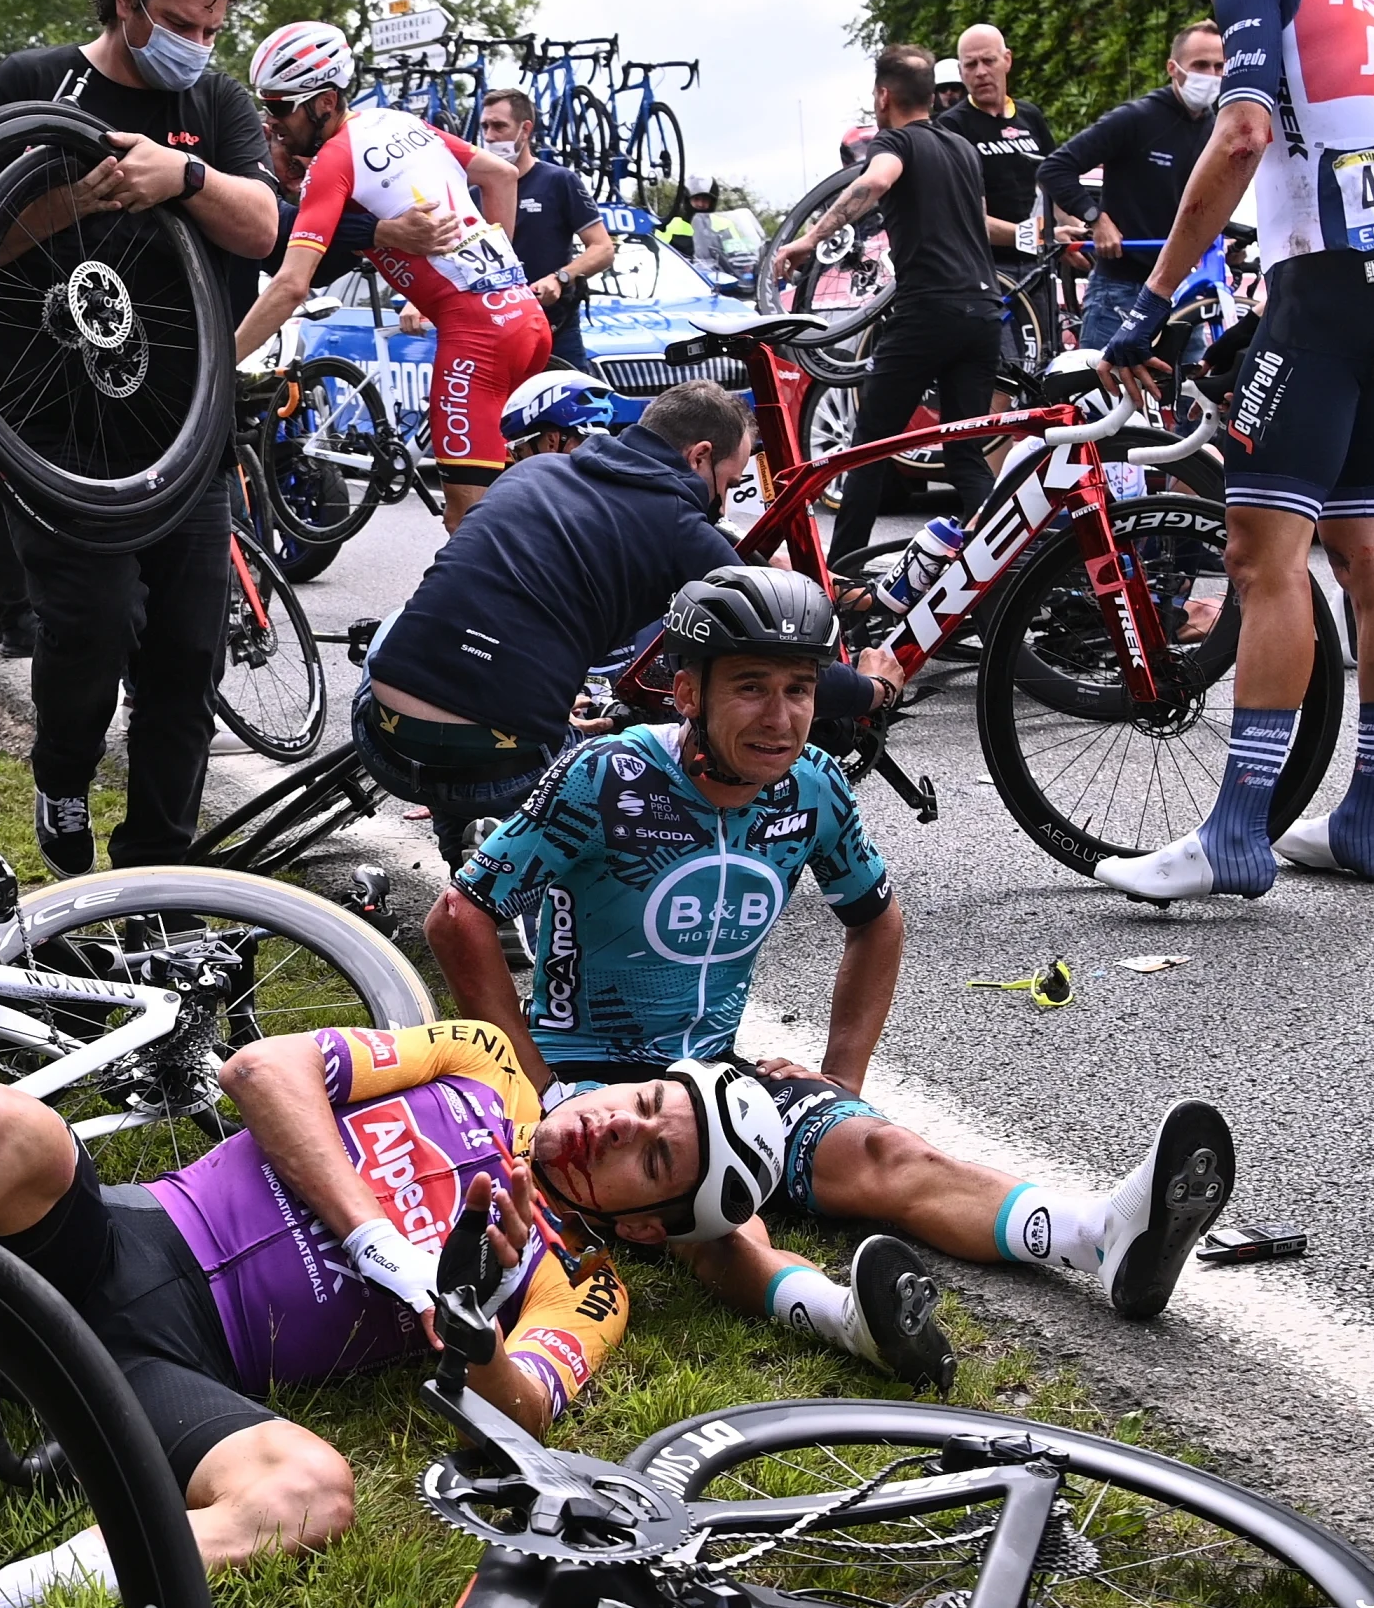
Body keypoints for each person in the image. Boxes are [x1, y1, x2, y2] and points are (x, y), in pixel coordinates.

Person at [0, 1018, 877, 1608]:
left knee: (310, 1491)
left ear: (651, 1223)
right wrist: (374, 1237)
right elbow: (268, 1069)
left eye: (650, 1156)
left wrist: (465, 1319)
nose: (620, 1123)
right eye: (651, 1101)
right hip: (123, 1242)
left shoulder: (588, 1284)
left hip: (184, 1369)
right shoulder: (486, 1063)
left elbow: (522, 1413)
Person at [428, 566, 1237, 1367]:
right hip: (593, 1077)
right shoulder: (606, 779)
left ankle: (1099, 1238)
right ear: (687, 695)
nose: (781, 718)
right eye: (750, 688)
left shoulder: (811, 787)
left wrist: (840, 1079)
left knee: (884, 1152)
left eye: (799, 689)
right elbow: (459, 915)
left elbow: (877, 920)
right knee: (714, 1219)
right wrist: (539, 1086)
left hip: (714, 1077)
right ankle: (844, 1317)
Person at [1084, 0, 1374, 902]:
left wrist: (1153, 301)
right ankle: (1366, 818)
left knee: (1261, 557)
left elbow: (1242, 136)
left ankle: (1236, 832)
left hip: (1325, 290)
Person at [0, 0, 284, 875]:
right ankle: (63, 774)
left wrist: (179, 174)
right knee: (96, 623)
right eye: (179, 22)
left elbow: (261, 227)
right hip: (54, 430)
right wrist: (82, 196)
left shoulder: (213, 103)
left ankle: (157, 865)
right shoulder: (30, 86)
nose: (196, 43)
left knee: (189, 653)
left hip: (187, 427)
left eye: (213, 28)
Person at [357, 381, 896, 831]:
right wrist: (873, 689)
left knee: (414, 620)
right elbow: (786, 668)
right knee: (595, 744)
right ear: (699, 456)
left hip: (380, 740)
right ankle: (500, 843)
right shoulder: (684, 532)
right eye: (727, 483)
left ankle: (470, 862)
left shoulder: (532, 472)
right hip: (500, 769)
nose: (723, 501)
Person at [233, 24, 552, 533]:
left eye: (279, 107)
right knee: (523, 508)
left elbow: (292, 284)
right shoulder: (396, 120)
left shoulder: (333, 161)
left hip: (478, 337)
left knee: (468, 525)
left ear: (324, 102)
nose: (271, 123)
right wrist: (496, 266)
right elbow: (500, 176)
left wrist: (223, 363)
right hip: (524, 317)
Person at [765, 47, 1004, 568]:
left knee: (868, 448)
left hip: (928, 311)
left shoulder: (894, 142)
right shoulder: (963, 147)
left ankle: (843, 575)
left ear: (883, 95)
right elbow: (978, 222)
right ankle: (1001, 573)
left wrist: (810, 240)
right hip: (984, 311)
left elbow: (875, 181)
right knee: (964, 453)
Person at [1043, 22, 1229, 333]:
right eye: (1199, 65)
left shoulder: (1216, 129)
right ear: (1173, 68)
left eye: (1218, 66)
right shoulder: (1137, 118)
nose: (1210, 75)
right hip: (1120, 289)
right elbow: (1055, 168)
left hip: (1180, 291)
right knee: (1100, 382)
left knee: (1183, 383)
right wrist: (1095, 219)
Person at [480, 89, 617, 372]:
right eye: (485, 127)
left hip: (555, 330)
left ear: (525, 129)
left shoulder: (558, 181)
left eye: (499, 126)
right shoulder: (475, 190)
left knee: (568, 415)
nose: (490, 136)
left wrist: (561, 277)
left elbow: (603, 248)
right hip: (494, 333)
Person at [943, 24, 1061, 289]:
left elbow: (1055, 186)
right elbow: (969, 216)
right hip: (985, 268)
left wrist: (1077, 231)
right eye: (971, 65)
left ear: (1007, 60)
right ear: (961, 72)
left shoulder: (1030, 116)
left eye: (988, 60)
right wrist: (1042, 235)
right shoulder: (952, 127)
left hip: (1038, 262)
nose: (981, 72)